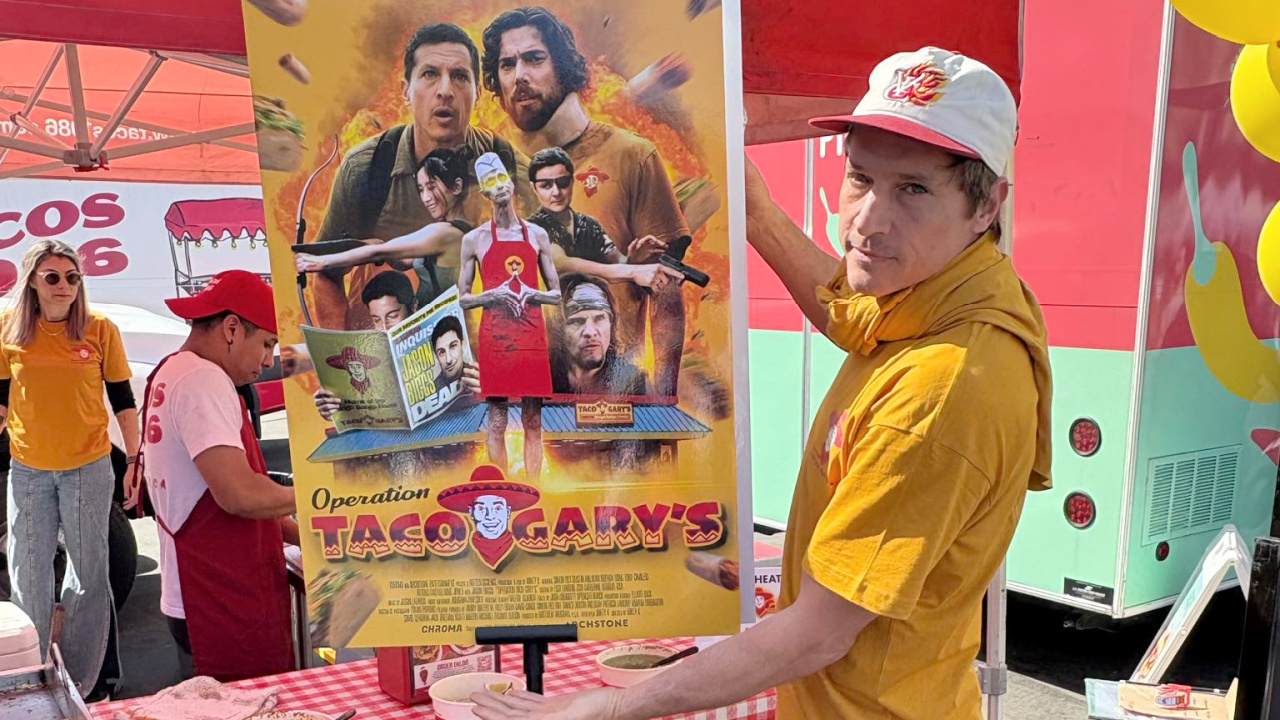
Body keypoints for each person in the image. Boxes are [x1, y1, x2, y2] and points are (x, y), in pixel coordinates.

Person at [472, 47, 1053, 720]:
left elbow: (818, 634)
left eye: (913, 189)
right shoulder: (949, 294)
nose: (867, 219)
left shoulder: (941, 388)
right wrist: (760, 213)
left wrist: (603, 707)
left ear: (987, 206)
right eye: (861, 178)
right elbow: (853, 316)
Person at [482, 7, 688, 395]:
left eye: (534, 58)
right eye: (506, 65)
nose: (519, 75)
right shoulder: (492, 169)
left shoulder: (631, 156)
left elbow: (667, 286)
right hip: (520, 409)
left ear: (563, 66)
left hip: (613, 408)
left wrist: (663, 403)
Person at [310, 23, 536, 330]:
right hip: (386, 354)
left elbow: (552, 262)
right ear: (406, 91)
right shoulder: (366, 168)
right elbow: (325, 274)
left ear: (477, 92)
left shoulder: (508, 166)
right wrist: (343, 362)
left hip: (477, 354)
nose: (445, 91)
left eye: (459, 76)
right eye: (430, 74)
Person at [132, 270, 298, 682]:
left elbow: (224, 490)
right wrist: (323, 493)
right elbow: (238, 494)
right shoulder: (202, 380)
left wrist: (305, 537)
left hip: (200, 592)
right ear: (230, 328)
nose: (267, 361)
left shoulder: (172, 371)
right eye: (266, 344)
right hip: (221, 600)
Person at [0, 240, 137, 699]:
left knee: (88, 574)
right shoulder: (8, 329)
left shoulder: (99, 329)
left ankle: (82, 682)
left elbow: (123, 400)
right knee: (28, 575)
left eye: (73, 277)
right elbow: (1, 400)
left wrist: (135, 458)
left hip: (87, 468)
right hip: (28, 471)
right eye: (53, 276)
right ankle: (31, 681)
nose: (64, 286)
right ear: (33, 282)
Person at [526, 148, 685, 377]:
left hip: (596, 327)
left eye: (562, 182)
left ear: (572, 182)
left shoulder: (587, 224)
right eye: (546, 185)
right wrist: (632, 271)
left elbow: (617, 260)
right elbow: (561, 262)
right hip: (554, 332)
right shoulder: (533, 228)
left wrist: (634, 258)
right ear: (534, 188)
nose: (556, 192)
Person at [458, 152, 560, 482]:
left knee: (533, 419)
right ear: (484, 193)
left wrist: (532, 294)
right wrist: (494, 295)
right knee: (498, 419)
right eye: (491, 183)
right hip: (496, 339)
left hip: (531, 336)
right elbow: (462, 298)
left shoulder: (537, 235)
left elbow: (557, 294)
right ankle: (501, 488)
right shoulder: (474, 240)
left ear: (512, 184)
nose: (499, 187)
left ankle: (534, 487)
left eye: (502, 179)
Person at [296, 147, 476, 309]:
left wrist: (321, 262)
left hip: (439, 327)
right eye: (421, 189)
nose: (426, 198)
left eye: (432, 187)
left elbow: (380, 253)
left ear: (457, 187)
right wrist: (371, 245)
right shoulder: (450, 230)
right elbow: (403, 262)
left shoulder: (447, 233)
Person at [551, 274, 646, 396]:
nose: (590, 333)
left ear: (612, 323)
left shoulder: (632, 379)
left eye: (599, 318)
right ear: (559, 328)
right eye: (577, 321)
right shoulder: (543, 376)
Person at [431, 315, 466, 390]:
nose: (448, 360)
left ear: (462, 345)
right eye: (442, 352)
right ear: (436, 356)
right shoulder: (433, 389)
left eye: (453, 346)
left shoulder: (477, 372)